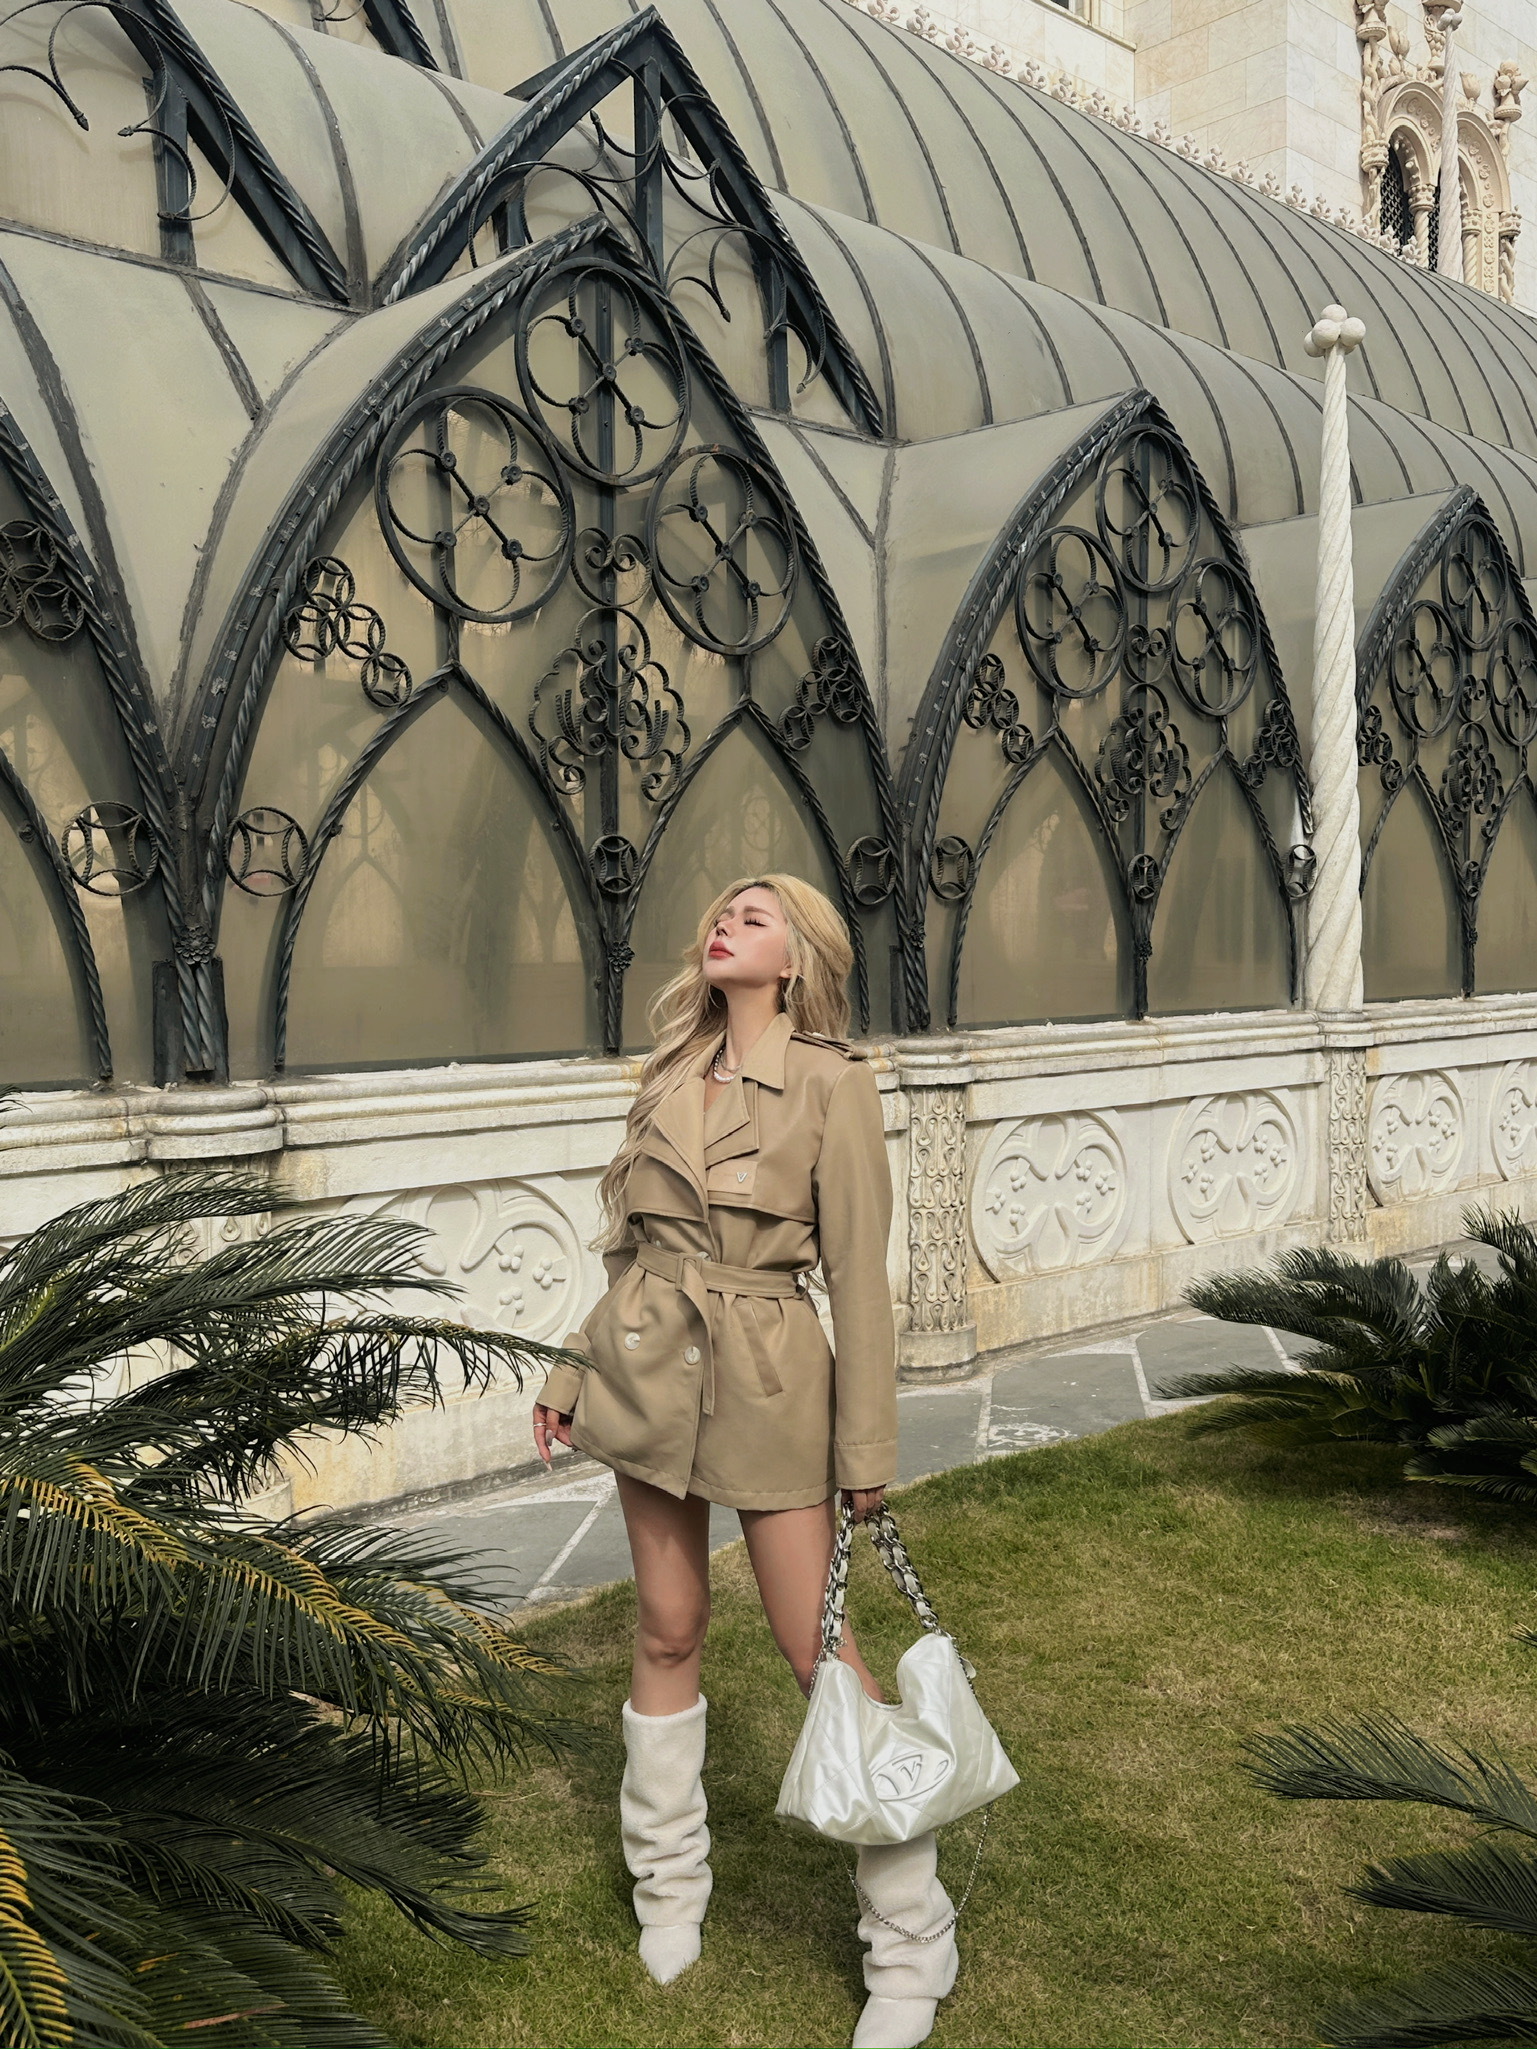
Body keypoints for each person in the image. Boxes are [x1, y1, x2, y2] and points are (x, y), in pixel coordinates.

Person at [531, 874, 958, 2049]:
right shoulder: (669, 1071)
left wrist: (865, 1446)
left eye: (753, 916)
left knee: (817, 1652)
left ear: (796, 958)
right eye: (722, 912)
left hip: (770, 1379)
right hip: (644, 1366)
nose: (725, 924)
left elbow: (858, 1281)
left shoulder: (832, 1083)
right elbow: (629, 1251)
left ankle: (911, 1939)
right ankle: (669, 1887)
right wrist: (569, 1371)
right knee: (667, 1627)